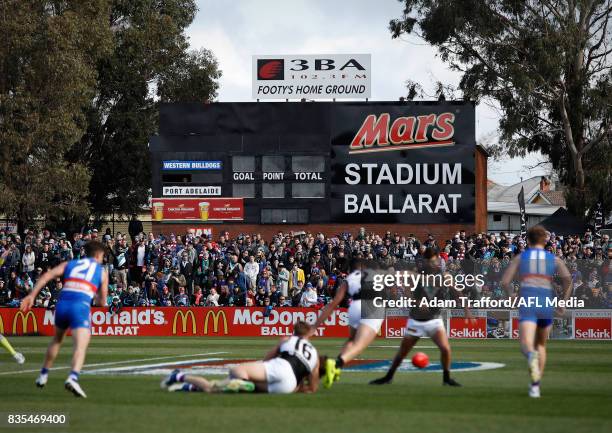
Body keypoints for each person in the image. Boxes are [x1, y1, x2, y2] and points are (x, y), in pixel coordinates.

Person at [20, 241, 109, 398]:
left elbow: (47, 275)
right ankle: (73, 377)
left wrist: (32, 295)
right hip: (80, 306)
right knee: (80, 346)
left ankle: (43, 375)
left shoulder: (70, 263)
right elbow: (102, 303)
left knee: (57, 339)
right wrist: (93, 294)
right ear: (97, 255)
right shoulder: (101, 271)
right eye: (102, 256)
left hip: (62, 304)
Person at [370, 248, 466, 387]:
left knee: (445, 349)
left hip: (434, 320)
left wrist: (467, 310)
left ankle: (446, 379)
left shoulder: (444, 276)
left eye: (434, 260)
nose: (432, 263)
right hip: (416, 320)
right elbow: (408, 294)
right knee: (402, 352)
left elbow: (457, 292)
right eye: (429, 260)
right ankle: (388, 376)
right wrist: (418, 302)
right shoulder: (416, 274)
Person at [501, 225, 572, 398]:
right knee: (541, 344)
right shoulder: (554, 259)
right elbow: (568, 281)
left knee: (526, 344)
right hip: (546, 302)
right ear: (544, 240)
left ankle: (530, 358)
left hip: (528, 301)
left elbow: (504, 282)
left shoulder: (520, 258)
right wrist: (563, 302)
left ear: (528, 240)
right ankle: (535, 385)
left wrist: (511, 295)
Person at [161, 321, 325, 394]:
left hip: (280, 367)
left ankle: (179, 376)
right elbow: (313, 387)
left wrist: (256, 370)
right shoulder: (315, 354)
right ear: (309, 335)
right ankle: (245, 385)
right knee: (245, 386)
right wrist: (300, 388)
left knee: (237, 372)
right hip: (289, 386)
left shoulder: (288, 339)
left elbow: (267, 359)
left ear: (295, 332)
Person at [310, 258, 384, 388]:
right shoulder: (375, 273)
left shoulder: (349, 278)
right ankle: (336, 364)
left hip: (354, 306)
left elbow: (333, 304)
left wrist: (315, 326)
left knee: (351, 339)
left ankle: (337, 368)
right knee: (359, 345)